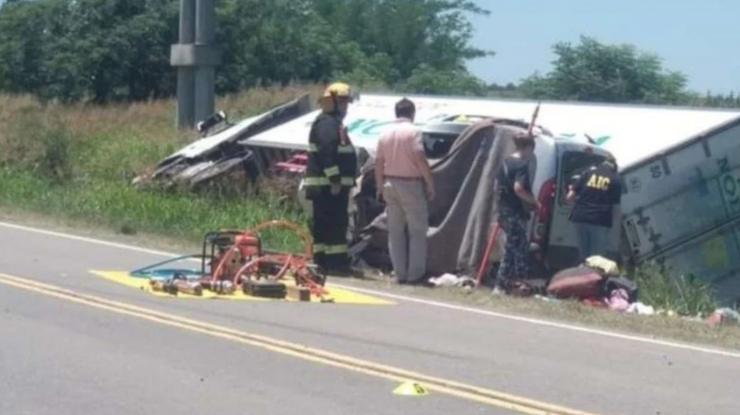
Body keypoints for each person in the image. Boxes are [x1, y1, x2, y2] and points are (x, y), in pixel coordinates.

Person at [374, 98, 435, 285]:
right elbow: (419, 157)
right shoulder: (414, 132)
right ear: (412, 113)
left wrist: (379, 185)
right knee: (417, 230)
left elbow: (378, 161)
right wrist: (430, 183)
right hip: (410, 184)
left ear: (396, 112)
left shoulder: (384, 133)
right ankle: (415, 274)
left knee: (395, 232)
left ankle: (399, 273)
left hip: (389, 183)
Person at [303, 82, 359, 276]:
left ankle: (322, 262)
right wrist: (335, 179)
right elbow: (327, 153)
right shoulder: (327, 124)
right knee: (335, 224)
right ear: (333, 102)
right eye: (343, 102)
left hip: (327, 187)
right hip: (328, 187)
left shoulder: (331, 123)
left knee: (325, 225)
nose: (346, 107)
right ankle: (335, 264)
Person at [493, 134, 539, 294]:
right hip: (515, 211)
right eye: (532, 150)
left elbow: (496, 186)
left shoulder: (504, 163)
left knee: (519, 247)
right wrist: (534, 201)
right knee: (513, 248)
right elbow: (519, 188)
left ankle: (516, 281)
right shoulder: (521, 165)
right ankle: (502, 283)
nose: (532, 154)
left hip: (503, 210)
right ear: (527, 148)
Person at [565, 154, 622, 262]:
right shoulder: (615, 180)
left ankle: (581, 276)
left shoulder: (587, 173)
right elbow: (616, 208)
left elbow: (569, 197)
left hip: (580, 217)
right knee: (596, 259)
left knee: (583, 255)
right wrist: (613, 231)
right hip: (599, 220)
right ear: (614, 166)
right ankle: (593, 277)